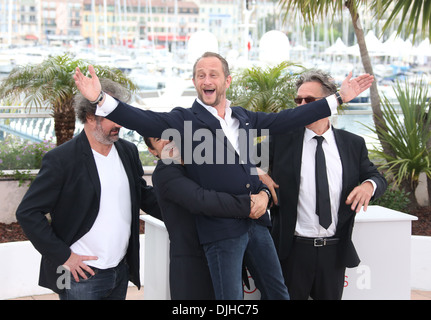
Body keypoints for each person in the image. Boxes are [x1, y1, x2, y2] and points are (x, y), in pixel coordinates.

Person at [73, 52, 374, 300]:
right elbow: (141, 119)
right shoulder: (183, 119)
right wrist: (100, 98)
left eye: (214, 74)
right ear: (194, 82)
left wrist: (338, 98)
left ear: (226, 81)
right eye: (201, 74)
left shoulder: (244, 117)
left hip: (257, 225)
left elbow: (289, 118)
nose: (207, 79)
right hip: (220, 231)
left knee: (279, 293)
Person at [15, 78, 162, 300]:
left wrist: (184, 211)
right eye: (114, 118)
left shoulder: (128, 151)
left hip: (120, 270)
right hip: (80, 275)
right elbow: (27, 212)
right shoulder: (61, 160)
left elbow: (142, 195)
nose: (120, 124)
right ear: (91, 117)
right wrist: (64, 257)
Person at [259, 69, 387, 300]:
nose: (302, 105)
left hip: (334, 253)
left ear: (328, 103)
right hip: (291, 252)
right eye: (299, 100)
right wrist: (257, 173)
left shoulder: (352, 144)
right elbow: (238, 156)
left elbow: (377, 177)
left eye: (310, 100)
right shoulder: (281, 140)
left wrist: (368, 185)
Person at [144, 137, 260, 299]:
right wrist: (250, 204)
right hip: (193, 268)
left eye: (168, 134)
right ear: (152, 151)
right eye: (158, 139)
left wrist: (263, 191)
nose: (167, 140)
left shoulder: (200, 164)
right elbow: (201, 200)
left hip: (224, 257)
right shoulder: (165, 172)